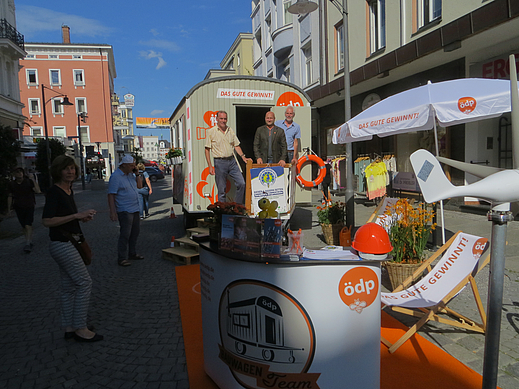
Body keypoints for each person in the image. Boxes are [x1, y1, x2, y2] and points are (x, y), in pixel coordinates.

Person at [41, 155, 102, 342]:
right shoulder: (54, 192)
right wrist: (76, 215)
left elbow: (67, 217)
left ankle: (69, 327)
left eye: (72, 168)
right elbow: (47, 221)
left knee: (68, 287)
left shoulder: (68, 190)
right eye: (66, 169)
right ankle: (81, 328)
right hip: (61, 244)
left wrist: (82, 218)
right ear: (58, 171)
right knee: (84, 283)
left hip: (70, 241)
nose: (70, 172)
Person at [205, 111, 251, 204]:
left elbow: (236, 145)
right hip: (220, 162)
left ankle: (237, 206)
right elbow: (207, 149)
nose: (223, 121)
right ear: (217, 119)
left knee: (241, 183)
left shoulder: (230, 130)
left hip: (232, 161)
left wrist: (243, 157)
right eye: (221, 118)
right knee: (222, 189)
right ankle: (222, 213)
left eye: (225, 119)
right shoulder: (211, 132)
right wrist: (210, 166)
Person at [108, 155, 144, 267]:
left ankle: (132, 253)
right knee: (125, 234)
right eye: (131, 165)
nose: (133, 167)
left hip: (135, 208)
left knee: (135, 233)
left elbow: (139, 186)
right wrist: (113, 212)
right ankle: (121, 257)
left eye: (134, 165)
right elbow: (111, 195)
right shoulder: (116, 177)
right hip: (124, 209)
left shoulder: (131, 175)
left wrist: (137, 174)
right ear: (124, 165)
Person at [8, 167, 41, 253]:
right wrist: (9, 209)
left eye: (21, 172)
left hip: (29, 205)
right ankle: (29, 240)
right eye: (17, 172)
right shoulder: (12, 184)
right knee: (24, 226)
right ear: (14, 174)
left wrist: (33, 180)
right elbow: (10, 196)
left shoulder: (28, 182)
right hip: (18, 207)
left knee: (28, 224)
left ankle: (27, 243)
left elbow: (38, 191)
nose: (19, 174)